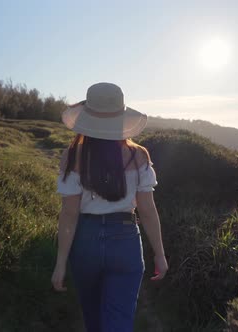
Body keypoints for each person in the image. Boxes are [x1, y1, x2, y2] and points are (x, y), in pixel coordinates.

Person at [51, 82, 168, 332]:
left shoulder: (72, 156)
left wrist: (61, 262)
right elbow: (147, 210)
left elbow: (70, 214)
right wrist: (159, 252)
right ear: (121, 118)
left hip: (86, 241)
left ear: (86, 118)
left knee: (93, 319)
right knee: (119, 321)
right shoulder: (139, 156)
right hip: (125, 240)